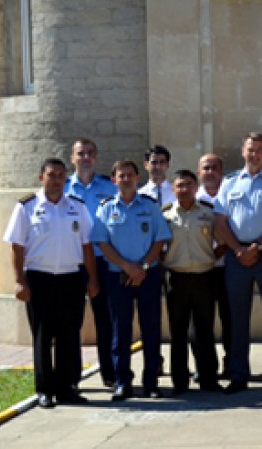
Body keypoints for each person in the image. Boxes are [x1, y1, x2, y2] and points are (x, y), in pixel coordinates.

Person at [5, 158, 99, 408]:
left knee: (70, 334)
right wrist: (19, 281)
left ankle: (67, 388)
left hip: (71, 278)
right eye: (51, 175)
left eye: (60, 175)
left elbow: (87, 245)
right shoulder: (27, 207)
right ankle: (44, 390)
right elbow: (17, 246)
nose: (56, 179)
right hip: (39, 278)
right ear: (41, 178)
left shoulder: (77, 206)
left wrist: (92, 279)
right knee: (43, 336)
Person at [214, 132, 262, 394]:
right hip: (236, 255)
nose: (254, 154)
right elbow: (220, 221)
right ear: (242, 151)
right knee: (238, 318)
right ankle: (238, 375)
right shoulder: (229, 183)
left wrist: (257, 247)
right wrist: (237, 249)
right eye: (250, 149)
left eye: (259, 150)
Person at [91, 160, 172, 400]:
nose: (125, 179)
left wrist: (143, 267)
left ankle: (151, 383)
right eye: (120, 176)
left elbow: (160, 239)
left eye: (129, 175)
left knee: (151, 329)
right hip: (118, 276)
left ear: (137, 178)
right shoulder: (105, 208)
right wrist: (128, 267)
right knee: (120, 331)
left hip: (148, 275)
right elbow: (102, 242)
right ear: (114, 180)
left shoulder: (150, 206)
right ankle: (122, 382)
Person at [161, 169, 223, 394]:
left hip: (204, 276)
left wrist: (211, 258)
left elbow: (223, 240)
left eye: (188, 185)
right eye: (179, 185)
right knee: (178, 332)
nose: (184, 189)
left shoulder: (208, 213)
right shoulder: (165, 215)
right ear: (173, 189)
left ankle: (209, 379)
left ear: (196, 187)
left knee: (204, 330)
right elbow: (158, 246)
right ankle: (180, 381)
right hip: (176, 278)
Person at [64, 138, 117, 389]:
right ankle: (71, 377)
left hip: (103, 260)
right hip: (72, 262)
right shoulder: (62, 188)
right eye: (80, 153)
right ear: (72, 158)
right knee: (71, 320)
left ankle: (110, 373)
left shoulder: (110, 187)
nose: (86, 158)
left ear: (96, 158)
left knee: (105, 320)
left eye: (90, 153)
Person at [197, 153, 232, 377]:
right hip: (202, 270)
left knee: (231, 320)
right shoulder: (191, 198)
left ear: (222, 171)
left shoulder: (231, 197)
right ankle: (205, 368)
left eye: (215, 168)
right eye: (206, 168)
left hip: (229, 267)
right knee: (202, 321)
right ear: (199, 172)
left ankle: (233, 364)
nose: (210, 172)